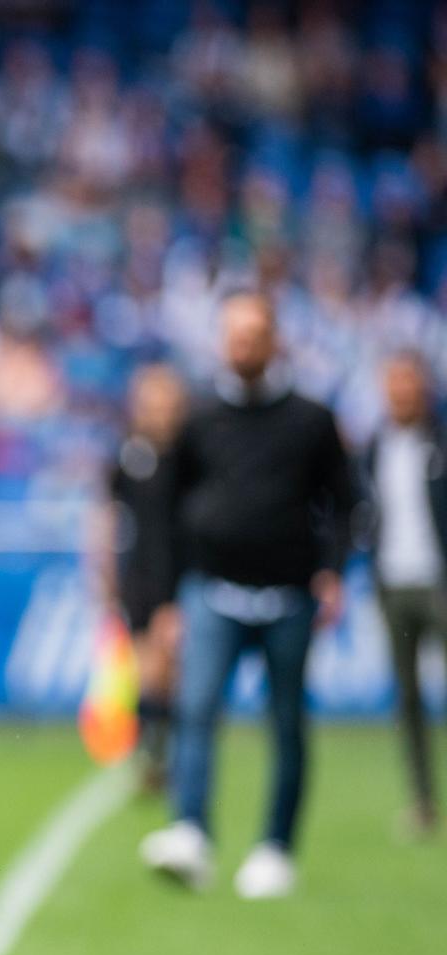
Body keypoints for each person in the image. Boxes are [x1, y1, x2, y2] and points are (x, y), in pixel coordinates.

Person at [140, 291, 356, 899]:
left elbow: (343, 503)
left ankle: (275, 848)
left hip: (289, 596)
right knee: (196, 710)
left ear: (273, 340)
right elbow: (166, 511)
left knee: (286, 723)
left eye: (253, 334)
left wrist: (333, 570)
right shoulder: (200, 419)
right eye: (233, 334)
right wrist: (163, 601)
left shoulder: (311, 420)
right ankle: (190, 831)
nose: (242, 345)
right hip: (211, 590)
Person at [358, 351, 447, 834]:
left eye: (409, 382)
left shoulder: (440, 441)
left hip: (438, 580)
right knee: (408, 698)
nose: (401, 391)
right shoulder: (375, 446)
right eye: (393, 383)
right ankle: (422, 801)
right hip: (393, 583)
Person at [94, 364, 187, 790]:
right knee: (147, 671)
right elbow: (108, 514)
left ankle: (165, 750)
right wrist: (104, 569)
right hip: (140, 577)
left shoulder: (188, 456)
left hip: (181, 575)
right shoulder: (129, 456)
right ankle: (155, 752)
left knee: (169, 672)